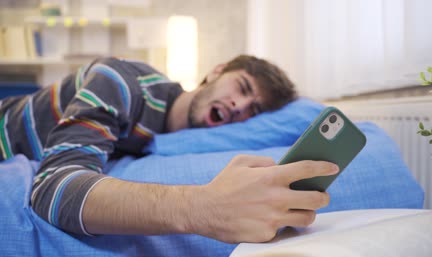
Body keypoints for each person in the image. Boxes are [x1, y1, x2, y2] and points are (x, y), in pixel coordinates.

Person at [0, 55, 337, 243]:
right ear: (217, 70)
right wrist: (201, 207)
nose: (240, 106)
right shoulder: (120, 81)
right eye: (243, 87)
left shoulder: (174, 140)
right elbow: (52, 189)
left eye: (254, 111)